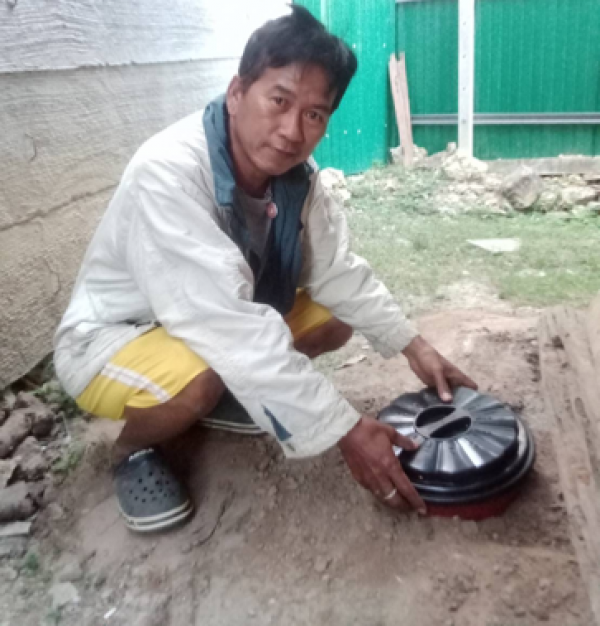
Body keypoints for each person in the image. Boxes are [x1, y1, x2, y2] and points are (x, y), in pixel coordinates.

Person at [54, 6, 476, 532]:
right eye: (279, 101)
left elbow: (337, 271)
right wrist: (345, 429)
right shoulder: (167, 173)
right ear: (237, 92)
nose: (292, 130)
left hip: (201, 319)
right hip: (113, 339)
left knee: (333, 316)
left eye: (314, 114)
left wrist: (414, 345)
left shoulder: (297, 176)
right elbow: (225, 326)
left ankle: (228, 395)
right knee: (203, 375)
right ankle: (131, 451)